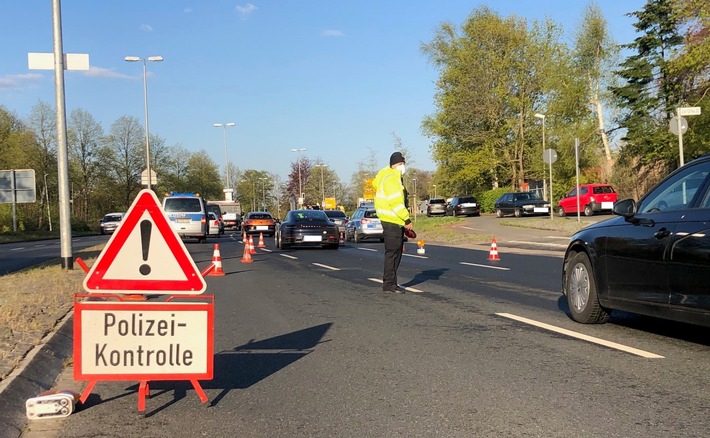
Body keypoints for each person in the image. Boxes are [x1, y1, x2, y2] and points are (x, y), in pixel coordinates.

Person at [373, 151, 413, 293]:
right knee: (393, 253)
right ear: (393, 165)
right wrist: (406, 219)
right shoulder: (391, 179)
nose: (402, 167)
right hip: (393, 220)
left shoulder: (389, 176)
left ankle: (391, 282)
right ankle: (389, 284)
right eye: (400, 164)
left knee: (395, 253)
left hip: (392, 221)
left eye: (403, 164)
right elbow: (396, 203)